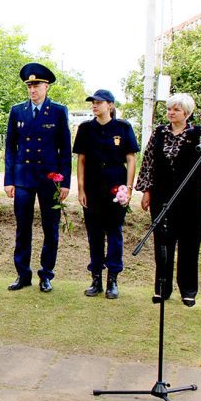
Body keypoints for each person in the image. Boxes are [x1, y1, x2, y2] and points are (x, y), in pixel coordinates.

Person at [135, 93, 201, 307]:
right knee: (162, 244)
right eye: (169, 109)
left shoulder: (200, 133)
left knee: (189, 245)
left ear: (187, 113)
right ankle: (162, 289)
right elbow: (148, 162)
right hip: (162, 196)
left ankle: (188, 290)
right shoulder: (159, 132)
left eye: (176, 109)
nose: (171, 113)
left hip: (192, 199)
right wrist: (146, 191)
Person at [4, 62, 72, 293]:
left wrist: (64, 182)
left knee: (50, 229)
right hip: (23, 178)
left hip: (49, 179)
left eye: (37, 86)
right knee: (22, 228)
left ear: (46, 87)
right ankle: (23, 274)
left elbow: (65, 149)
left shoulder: (58, 111)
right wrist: (9, 179)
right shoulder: (17, 111)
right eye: (29, 86)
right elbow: (10, 148)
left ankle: (46, 275)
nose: (32, 90)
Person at [73, 90, 140, 299]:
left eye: (99, 102)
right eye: (93, 102)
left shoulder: (123, 127)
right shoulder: (85, 128)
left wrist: (128, 188)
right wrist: (81, 189)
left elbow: (131, 159)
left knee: (114, 234)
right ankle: (96, 279)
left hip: (115, 187)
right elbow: (81, 160)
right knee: (94, 235)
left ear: (110, 105)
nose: (94, 105)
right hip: (92, 188)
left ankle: (113, 279)